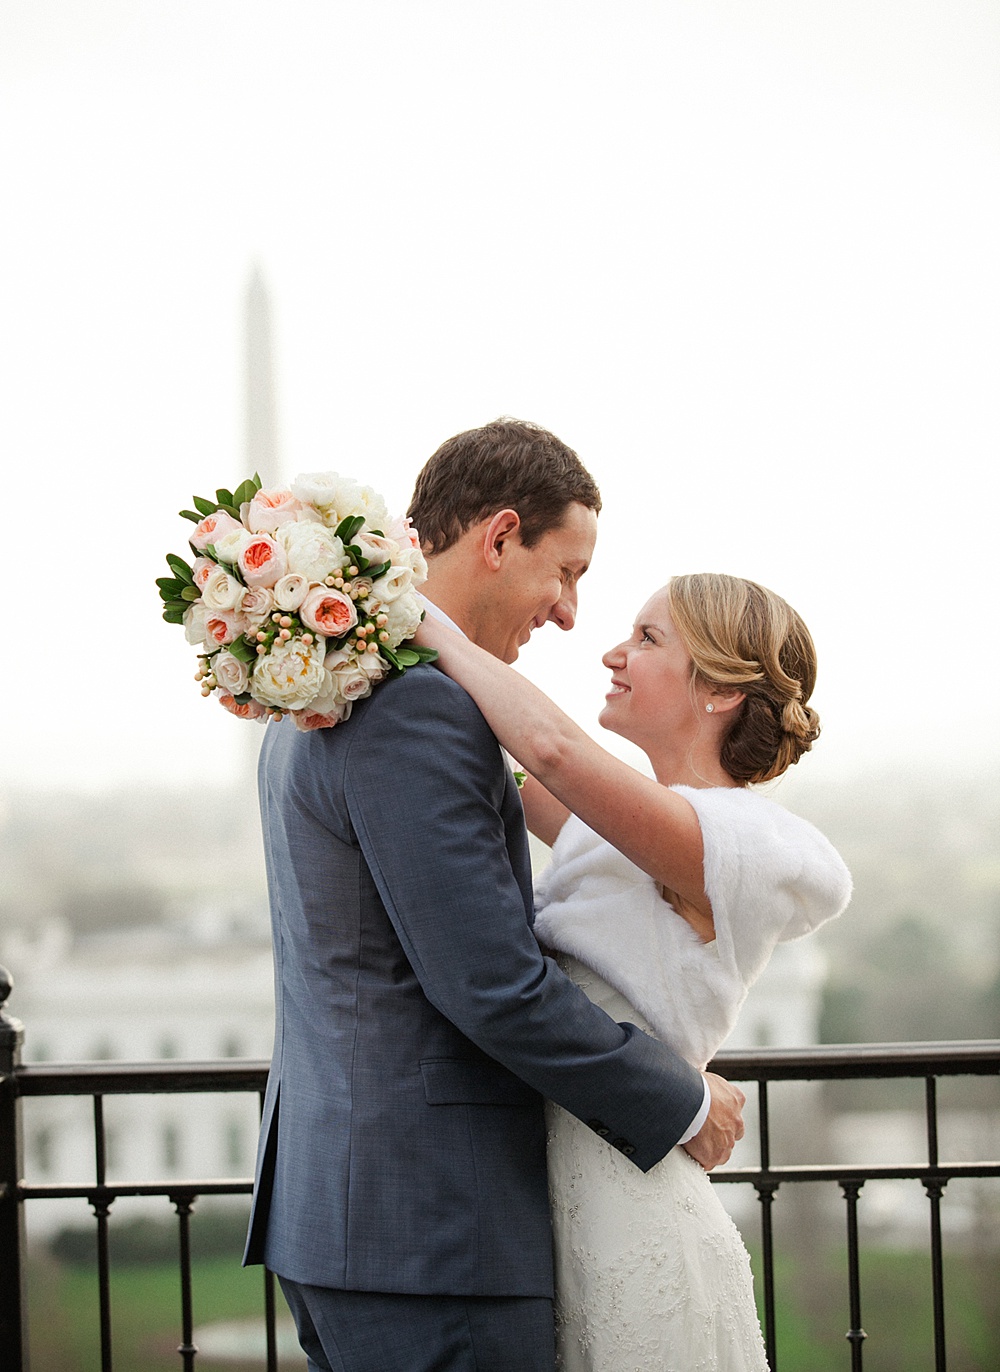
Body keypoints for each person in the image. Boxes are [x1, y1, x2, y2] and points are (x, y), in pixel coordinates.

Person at [243, 421, 746, 1372]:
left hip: (353, 1213)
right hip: (430, 1231)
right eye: (565, 572)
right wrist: (681, 1103)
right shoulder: (417, 703)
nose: (566, 612)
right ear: (499, 536)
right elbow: (490, 986)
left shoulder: (314, 682)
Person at [415, 572, 852, 1371]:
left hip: (633, 1196)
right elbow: (501, 774)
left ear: (719, 690)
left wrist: (422, 621)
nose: (613, 654)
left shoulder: (733, 843)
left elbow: (548, 749)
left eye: (647, 640)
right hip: (557, 1181)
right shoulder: (625, 823)